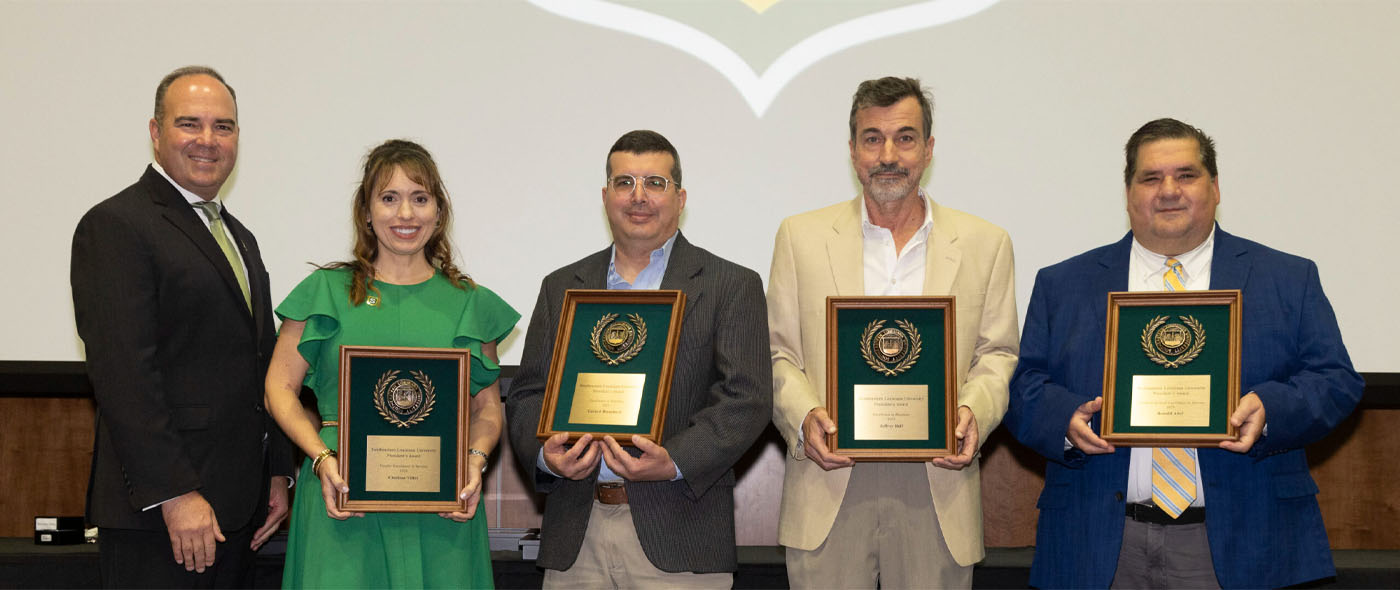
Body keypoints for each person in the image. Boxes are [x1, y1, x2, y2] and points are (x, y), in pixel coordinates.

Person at [1004, 118, 1364, 589]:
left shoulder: (1287, 277)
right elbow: (1022, 382)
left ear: (1215, 187)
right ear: (1129, 192)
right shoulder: (1063, 284)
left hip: (1248, 540)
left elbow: (1336, 380)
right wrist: (1063, 421)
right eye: (1150, 178)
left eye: (1186, 175)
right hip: (1098, 542)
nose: (1168, 190)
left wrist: (1271, 410)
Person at [767, 76, 1019, 588]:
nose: (888, 154)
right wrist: (804, 416)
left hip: (937, 484)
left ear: (928, 149)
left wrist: (972, 413)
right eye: (872, 138)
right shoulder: (800, 236)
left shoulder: (985, 242)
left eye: (904, 138)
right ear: (853, 150)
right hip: (829, 478)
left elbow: (997, 355)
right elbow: (778, 353)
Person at [504, 130, 771, 588]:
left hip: (681, 536)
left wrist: (675, 460)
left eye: (655, 183)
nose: (639, 196)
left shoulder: (731, 284)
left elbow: (746, 399)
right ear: (606, 196)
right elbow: (529, 393)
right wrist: (547, 456)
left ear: (680, 197)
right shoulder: (561, 285)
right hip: (576, 535)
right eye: (624, 182)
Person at [70, 65, 294, 588]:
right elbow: (125, 375)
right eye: (189, 123)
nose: (208, 140)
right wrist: (176, 494)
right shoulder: (117, 225)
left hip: (239, 510)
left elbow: (263, 359)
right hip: (163, 517)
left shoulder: (238, 235)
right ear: (155, 132)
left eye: (224, 126)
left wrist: (277, 470)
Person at [263, 139, 519, 588]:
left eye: (420, 199)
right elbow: (278, 389)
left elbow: (487, 409)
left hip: (444, 505)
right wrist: (323, 459)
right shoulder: (325, 292)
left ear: (439, 212)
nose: (406, 214)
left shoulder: (469, 303)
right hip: (340, 497)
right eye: (389, 198)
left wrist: (475, 463)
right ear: (366, 210)